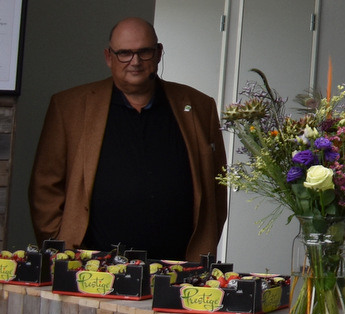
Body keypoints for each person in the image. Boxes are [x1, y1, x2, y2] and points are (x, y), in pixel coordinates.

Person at [29, 17, 228, 261]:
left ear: (158, 53)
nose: (135, 61)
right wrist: (58, 249)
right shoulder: (69, 107)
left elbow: (217, 188)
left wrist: (204, 246)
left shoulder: (199, 106)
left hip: (178, 266)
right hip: (89, 266)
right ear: (108, 57)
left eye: (144, 52)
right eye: (124, 53)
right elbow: (45, 186)